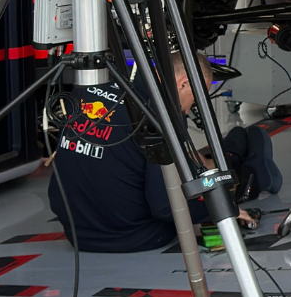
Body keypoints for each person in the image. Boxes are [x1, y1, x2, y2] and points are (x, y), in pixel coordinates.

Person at [49, 61, 275, 253]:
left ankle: (230, 152)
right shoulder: (162, 113)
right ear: (183, 83)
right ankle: (249, 175)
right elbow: (166, 207)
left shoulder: (93, 89)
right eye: (194, 100)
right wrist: (222, 210)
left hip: (79, 235)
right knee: (202, 178)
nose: (187, 110)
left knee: (175, 157)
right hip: (133, 237)